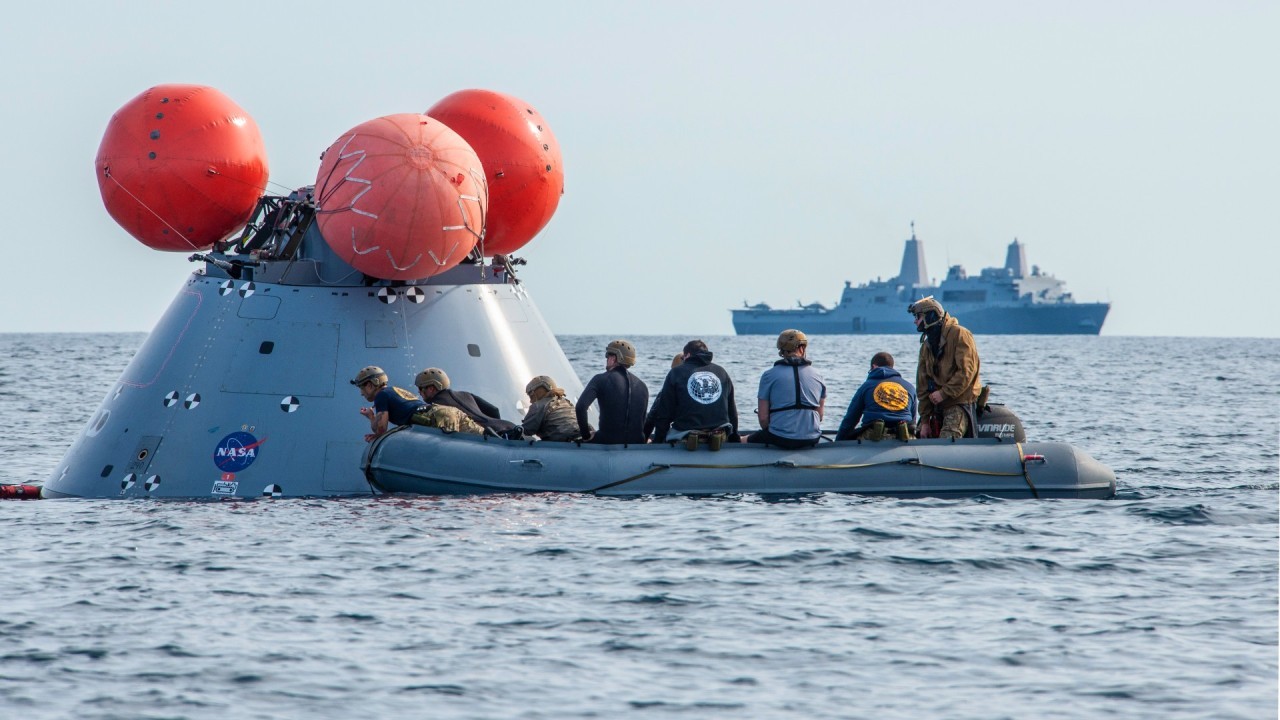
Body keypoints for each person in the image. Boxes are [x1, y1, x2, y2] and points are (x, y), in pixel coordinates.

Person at [909, 296, 982, 439]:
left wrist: (943, 393)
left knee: (948, 437)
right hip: (936, 406)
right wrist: (924, 421)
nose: (915, 321)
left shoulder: (960, 334)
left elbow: (966, 372)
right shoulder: (926, 346)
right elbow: (922, 385)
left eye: (918, 316)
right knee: (914, 437)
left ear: (931, 316)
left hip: (959, 403)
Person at [644, 339, 738, 449]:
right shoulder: (722, 372)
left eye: (683, 358)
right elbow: (732, 412)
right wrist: (735, 440)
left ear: (687, 355)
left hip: (687, 437)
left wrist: (658, 442)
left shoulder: (676, 372)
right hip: (719, 436)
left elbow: (664, 414)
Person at [745, 329, 827, 449]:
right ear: (802, 348)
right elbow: (819, 416)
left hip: (778, 437)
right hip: (812, 437)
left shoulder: (768, 375)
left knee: (743, 440)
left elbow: (763, 419)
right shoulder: (819, 375)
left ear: (781, 350)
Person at [575, 339, 649, 444]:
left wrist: (586, 435)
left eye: (607, 356)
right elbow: (643, 420)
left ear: (613, 358)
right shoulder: (643, 386)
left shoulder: (600, 379)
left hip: (607, 441)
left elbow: (580, 407)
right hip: (637, 442)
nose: (606, 359)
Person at [415, 367, 520, 438]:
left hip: (495, 436)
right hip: (508, 427)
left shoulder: (437, 406)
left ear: (431, 389)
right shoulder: (465, 394)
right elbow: (494, 410)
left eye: (420, 388)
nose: (419, 392)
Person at [835, 352, 917, 441]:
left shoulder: (866, 386)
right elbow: (913, 422)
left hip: (873, 437)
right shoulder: (909, 387)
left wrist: (838, 442)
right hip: (904, 437)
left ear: (873, 367)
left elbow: (850, 419)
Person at [352, 365, 426, 442]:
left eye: (362, 388)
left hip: (428, 421)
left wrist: (371, 416)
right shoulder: (393, 391)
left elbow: (380, 429)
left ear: (370, 385)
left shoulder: (381, 395)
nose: (361, 393)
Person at [521, 375, 582, 441]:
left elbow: (525, 431)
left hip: (560, 444)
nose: (530, 401)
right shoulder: (567, 403)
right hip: (582, 438)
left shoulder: (538, 406)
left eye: (531, 395)